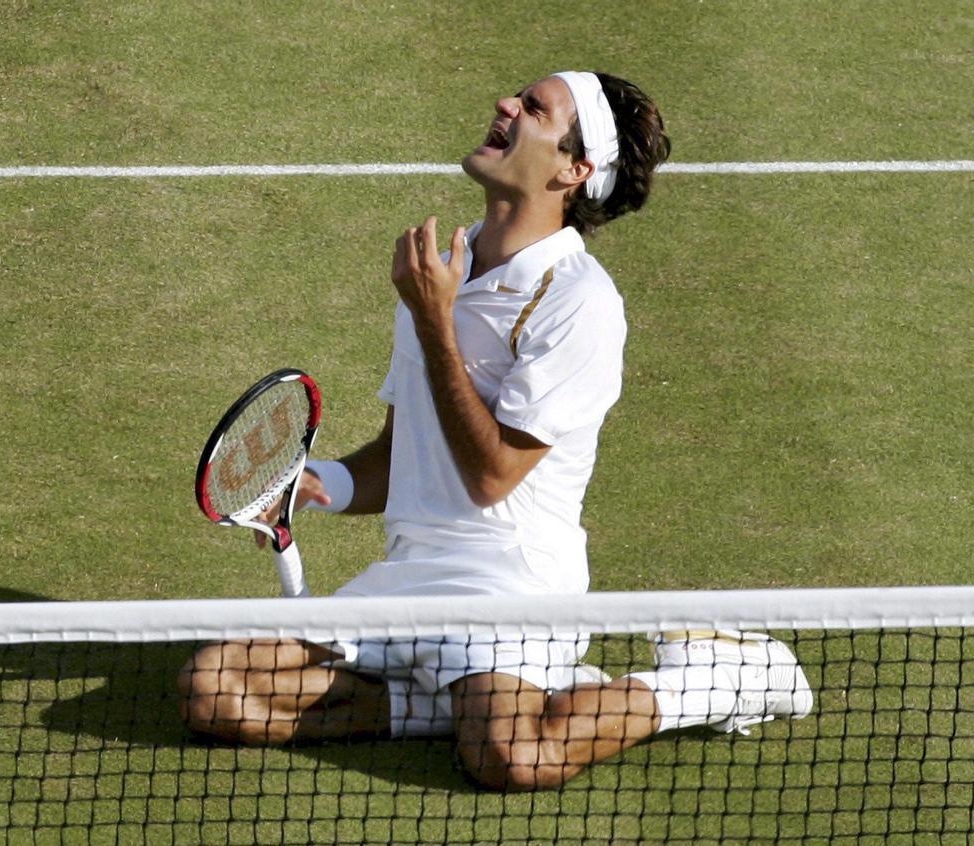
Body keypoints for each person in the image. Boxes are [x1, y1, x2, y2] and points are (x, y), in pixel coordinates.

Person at [178, 71, 812, 791]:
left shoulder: (579, 303)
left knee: (514, 758)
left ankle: (714, 681)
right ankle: (446, 702)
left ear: (575, 170)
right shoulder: (445, 271)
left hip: (515, 584)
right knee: (214, 688)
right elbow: (402, 453)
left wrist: (433, 321)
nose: (506, 106)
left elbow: (492, 475)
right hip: (408, 582)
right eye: (517, 96)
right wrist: (323, 481)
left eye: (534, 109)